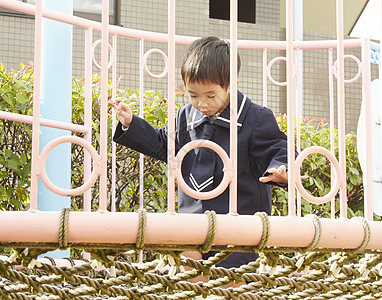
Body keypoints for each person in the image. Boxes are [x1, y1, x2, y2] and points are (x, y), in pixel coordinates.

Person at [109, 36, 290, 275]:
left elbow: (276, 146)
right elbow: (164, 144)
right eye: (193, 95)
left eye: (210, 95)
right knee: (189, 271)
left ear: (231, 85)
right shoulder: (185, 117)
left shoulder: (254, 118)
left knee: (230, 282)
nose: (201, 103)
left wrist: (280, 167)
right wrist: (131, 124)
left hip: (237, 222)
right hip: (193, 218)